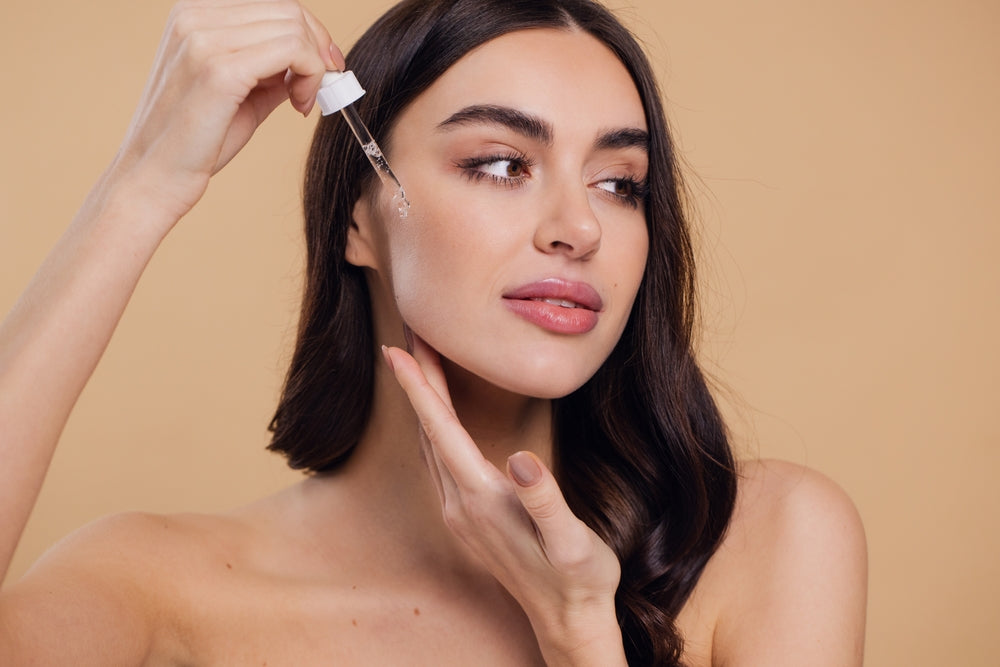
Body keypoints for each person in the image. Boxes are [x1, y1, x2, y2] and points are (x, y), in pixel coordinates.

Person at [0, 0, 867, 664]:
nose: (581, 228)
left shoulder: (765, 542)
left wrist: (579, 637)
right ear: (360, 219)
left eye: (619, 182)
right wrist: (141, 186)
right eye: (500, 164)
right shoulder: (157, 588)